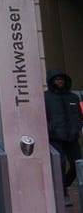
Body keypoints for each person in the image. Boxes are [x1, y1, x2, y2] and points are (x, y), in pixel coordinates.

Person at [45, 70, 80, 202]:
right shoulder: (46, 98)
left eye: (61, 79)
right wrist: (49, 130)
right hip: (55, 137)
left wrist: (77, 127)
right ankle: (63, 194)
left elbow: (78, 115)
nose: (60, 81)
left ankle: (64, 184)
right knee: (59, 165)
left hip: (72, 137)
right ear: (52, 81)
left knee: (78, 165)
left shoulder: (73, 97)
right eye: (57, 79)